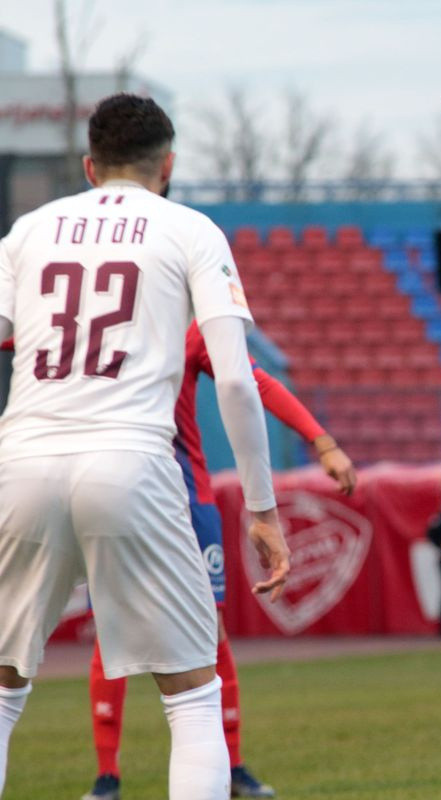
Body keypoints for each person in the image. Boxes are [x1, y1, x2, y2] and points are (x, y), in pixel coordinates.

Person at [0, 94, 289, 800]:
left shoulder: (29, 230)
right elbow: (238, 383)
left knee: (3, 690)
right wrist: (261, 507)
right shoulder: (190, 228)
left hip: (24, 457)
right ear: (170, 163)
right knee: (192, 695)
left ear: (89, 165)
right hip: (130, 460)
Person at [80, 321, 357, 800]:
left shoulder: (186, 327)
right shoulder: (86, 312)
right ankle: (107, 776)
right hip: (114, 496)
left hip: (188, 500)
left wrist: (321, 439)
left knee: (212, 631)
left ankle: (231, 765)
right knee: (112, 624)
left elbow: (255, 381)